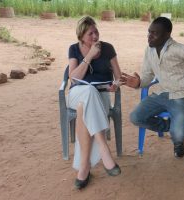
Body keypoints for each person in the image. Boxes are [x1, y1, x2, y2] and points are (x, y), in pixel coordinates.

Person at [121, 17, 184, 159]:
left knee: (178, 135)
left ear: (167, 34)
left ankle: (178, 137)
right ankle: (172, 127)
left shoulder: (178, 49)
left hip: (183, 97)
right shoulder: (149, 50)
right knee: (136, 117)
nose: (149, 36)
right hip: (161, 94)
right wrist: (138, 83)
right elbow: (147, 76)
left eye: (155, 33)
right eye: (149, 32)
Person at [67, 16, 121, 189]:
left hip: (101, 96)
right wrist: (89, 56)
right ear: (81, 35)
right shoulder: (74, 49)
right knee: (87, 90)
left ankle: (84, 168)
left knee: (84, 106)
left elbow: (119, 76)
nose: (95, 36)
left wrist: (116, 85)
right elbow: (74, 79)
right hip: (77, 93)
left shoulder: (108, 48)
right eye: (90, 34)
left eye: (96, 32)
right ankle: (103, 147)